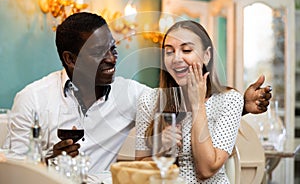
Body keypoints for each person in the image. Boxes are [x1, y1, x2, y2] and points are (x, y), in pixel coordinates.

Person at [8, 13, 270, 178]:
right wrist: (48, 159)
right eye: (100, 51)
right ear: (71, 59)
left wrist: (239, 105)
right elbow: (12, 171)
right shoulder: (32, 99)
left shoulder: (132, 93)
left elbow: (185, 103)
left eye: (113, 48)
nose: (112, 58)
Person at [135, 20, 271, 183]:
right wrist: (160, 151)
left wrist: (197, 104)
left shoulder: (229, 100)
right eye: (169, 52)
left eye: (186, 50)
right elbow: (138, 167)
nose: (176, 58)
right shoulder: (149, 100)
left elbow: (206, 170)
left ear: (207, 55)